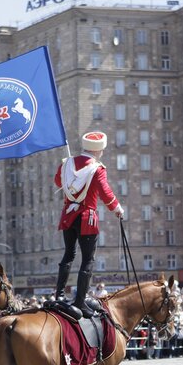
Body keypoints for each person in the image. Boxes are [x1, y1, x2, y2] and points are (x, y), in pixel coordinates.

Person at [52, 131, 124, 316]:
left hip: (68, 215)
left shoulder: (67, 163)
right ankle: (80, 300)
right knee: (87, 260)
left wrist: (72, 175)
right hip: (86, 217)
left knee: (68, 254)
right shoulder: (97, 169)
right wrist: (116, 208)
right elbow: (105, 192)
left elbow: (57, 181)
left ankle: (59, 295)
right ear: (99, 150)